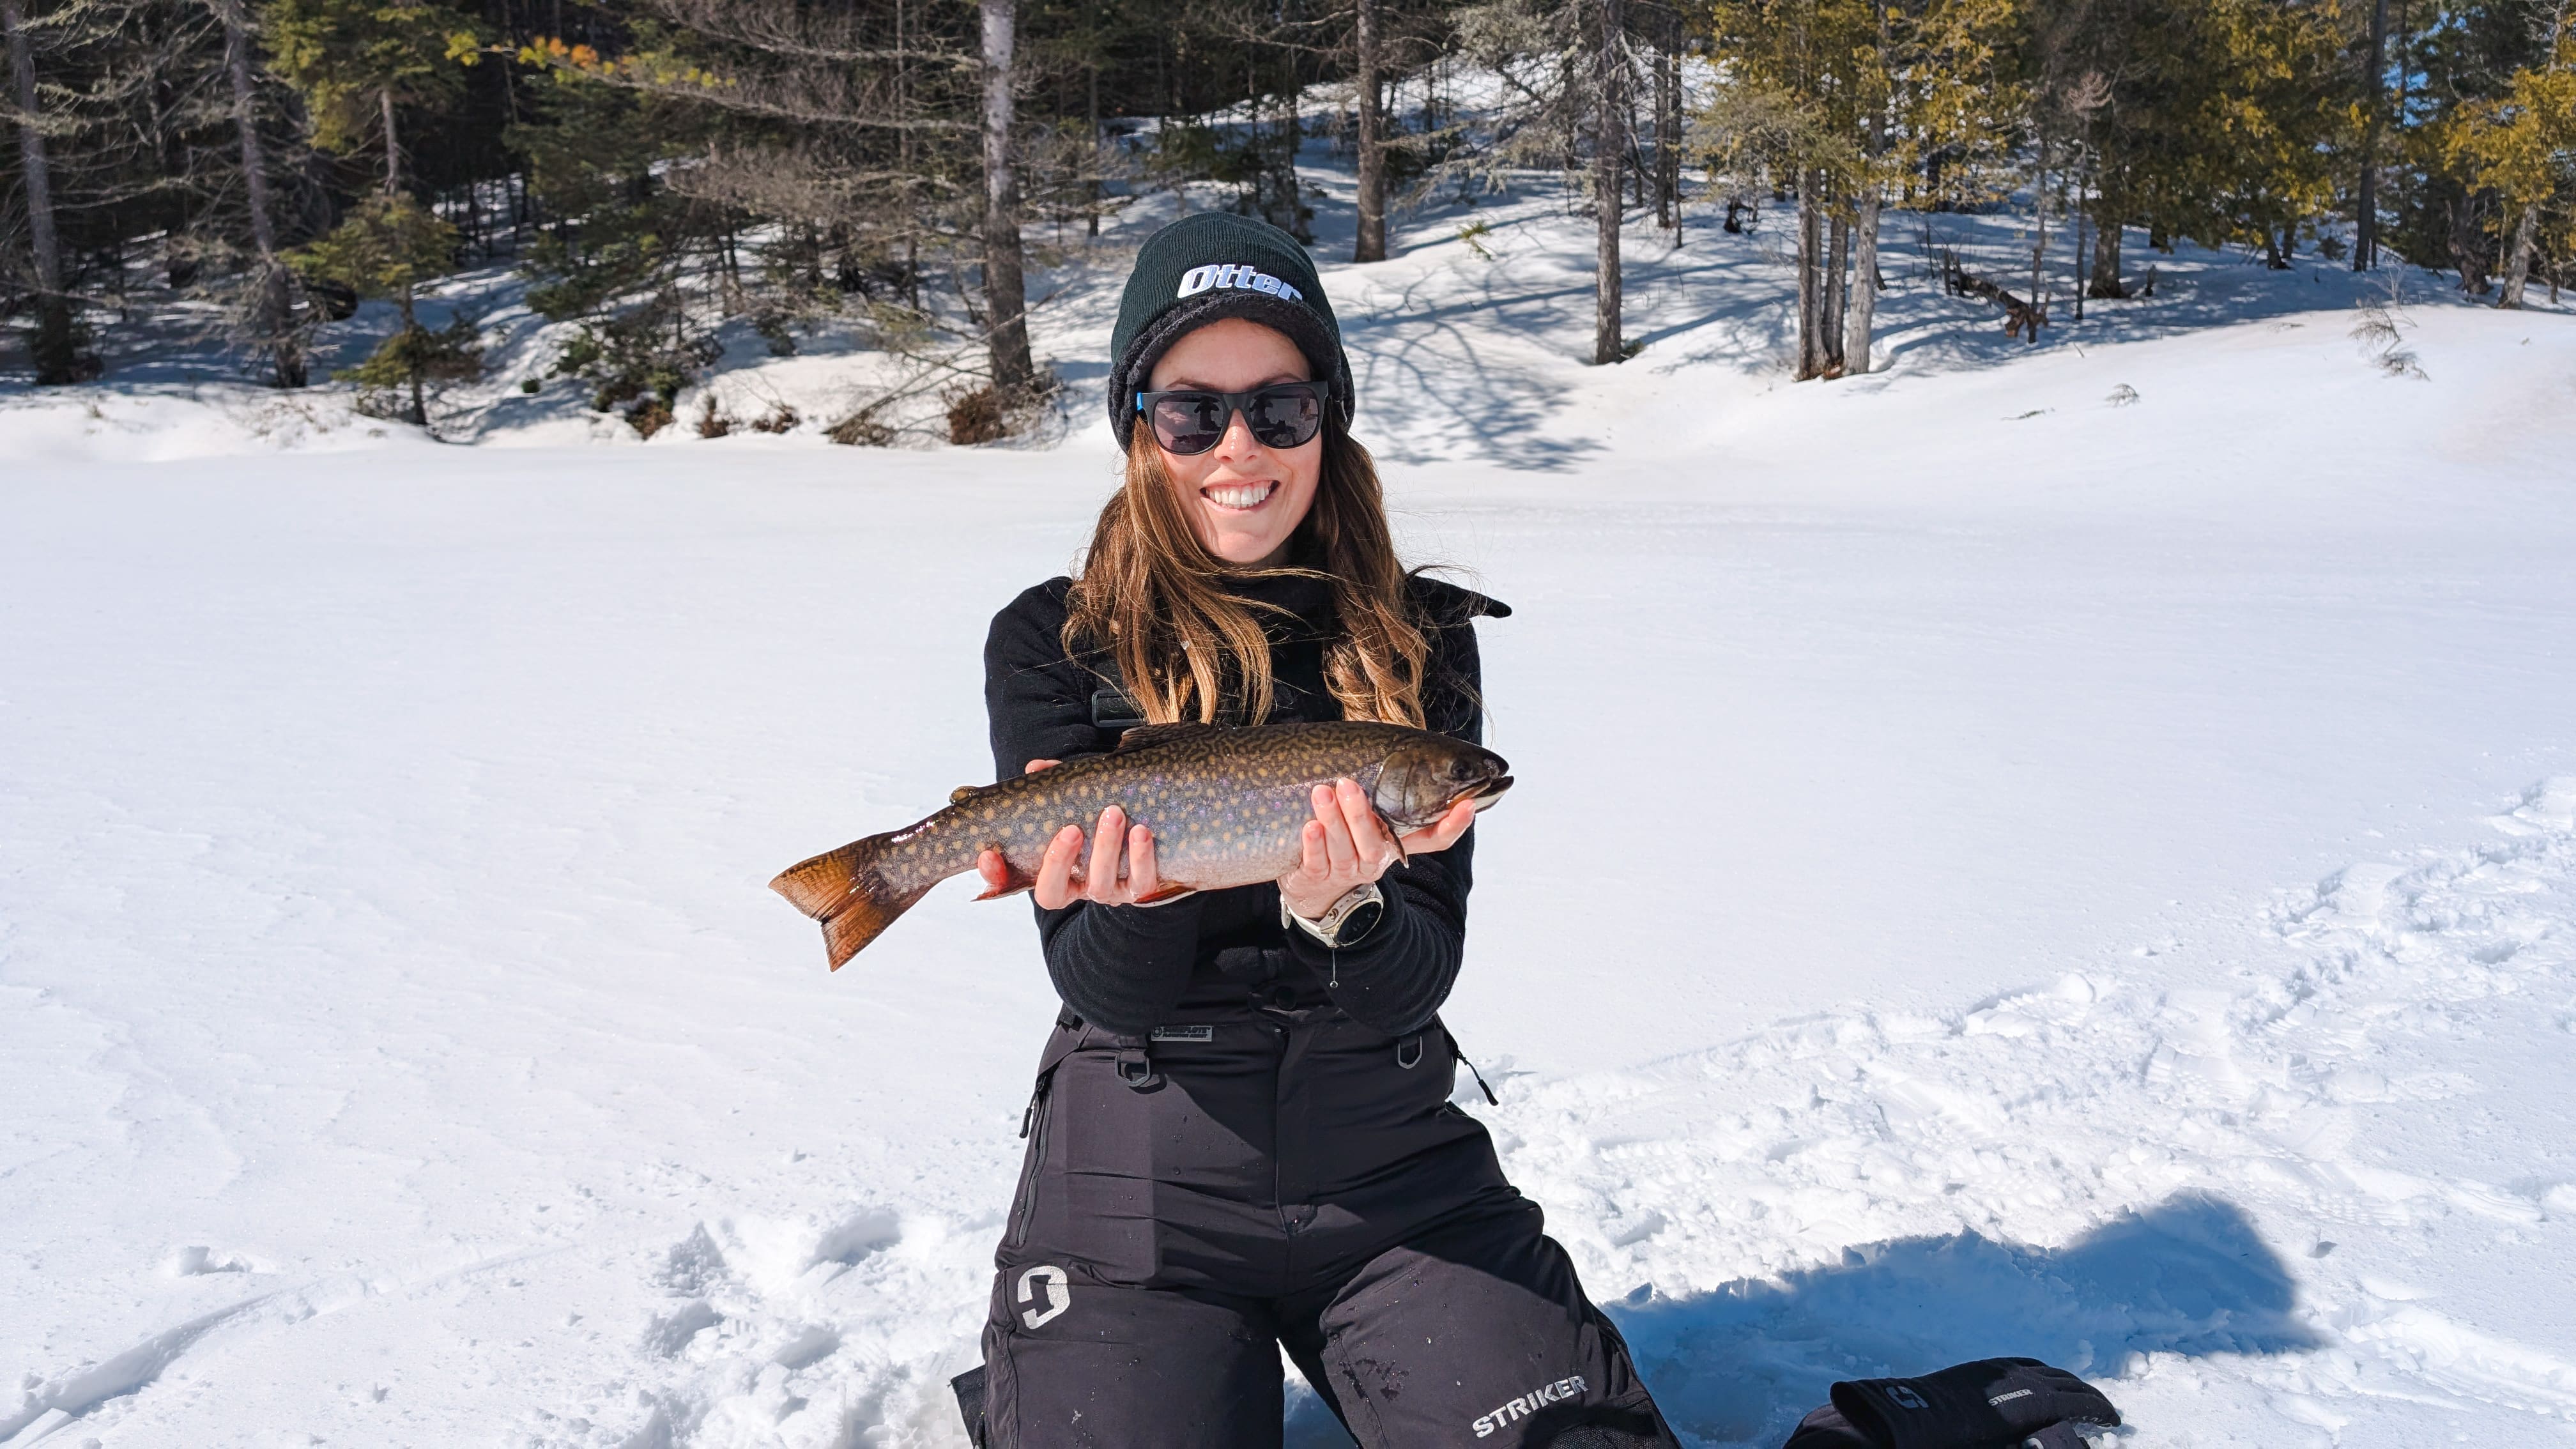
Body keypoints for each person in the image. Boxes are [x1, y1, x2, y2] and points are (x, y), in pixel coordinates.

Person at [961, 212, 1680, 1449]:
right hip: (1141, 1179)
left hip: (1393, 1174)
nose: (1239, 447)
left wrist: (1344, 911)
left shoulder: (1417, 636)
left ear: (1327, 422)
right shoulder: (1057, 638)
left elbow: (1419, 977)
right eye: (1193, 410)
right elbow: (1093, 983)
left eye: (1281, 408)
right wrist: (1144, 899)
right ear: (1140, 424)